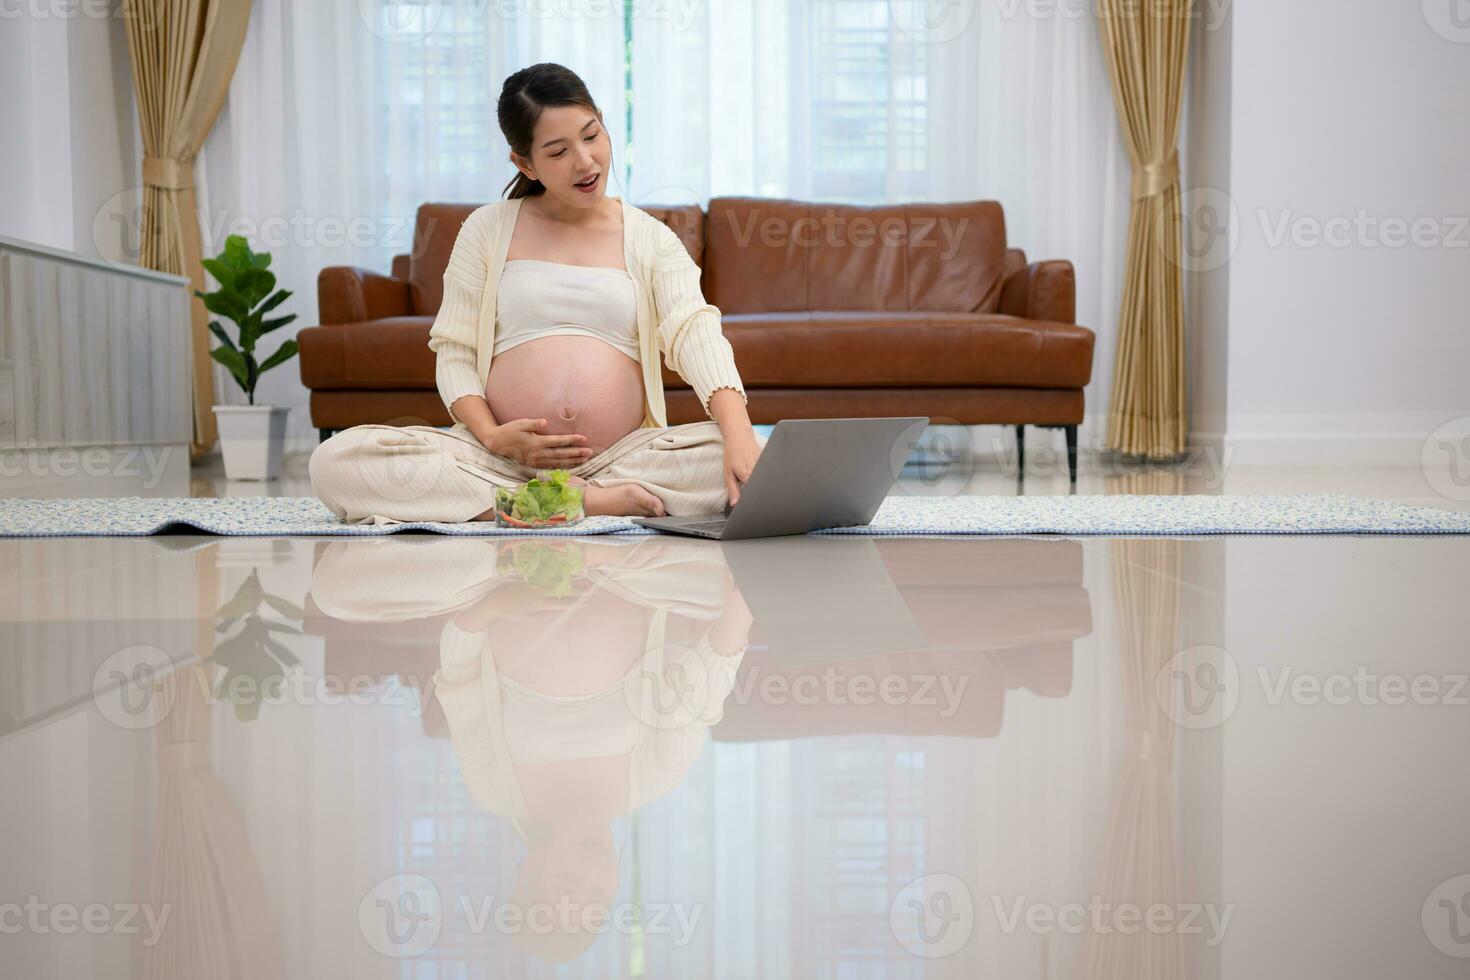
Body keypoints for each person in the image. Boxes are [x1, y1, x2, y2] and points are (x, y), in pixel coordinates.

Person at [309, 62, 764, 525]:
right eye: (558, 151)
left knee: (743, 453)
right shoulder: (486, 230)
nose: (585, 162)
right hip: (499, 462)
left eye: (592, 136)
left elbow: (694, 330)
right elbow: (456, 351)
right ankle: (574, 501)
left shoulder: (652, 239)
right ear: (524, 162)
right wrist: (492, 436)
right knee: (336, 461)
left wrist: (739, 433)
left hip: (621, 459)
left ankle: (528, 502)